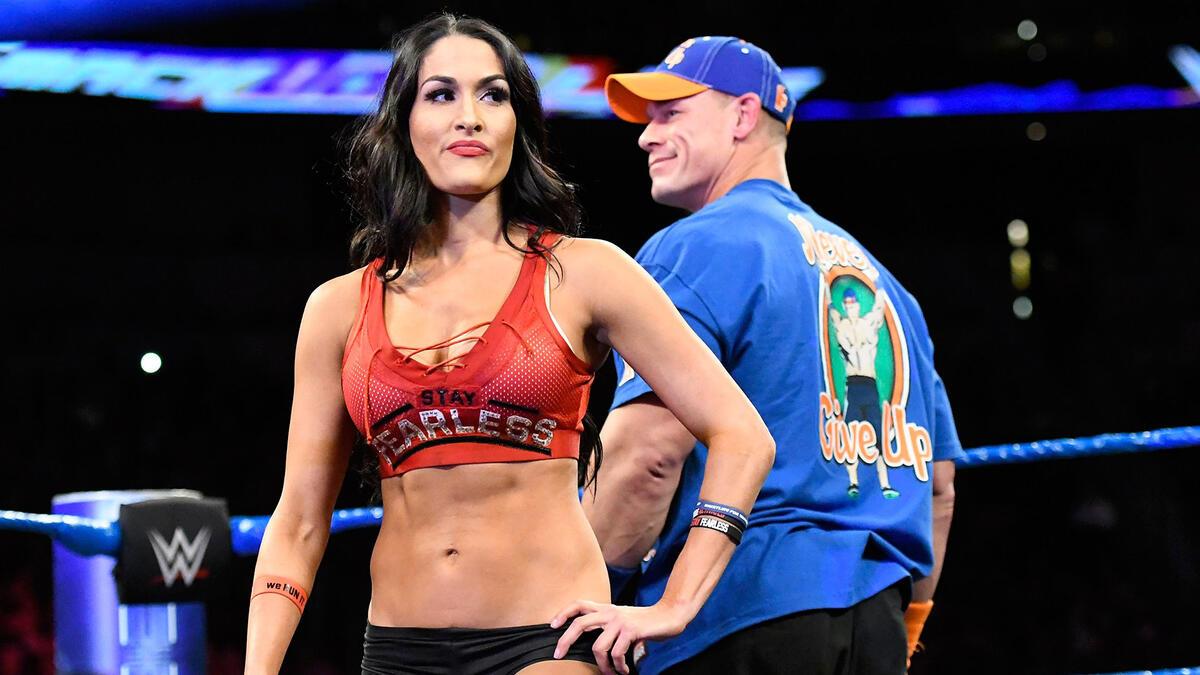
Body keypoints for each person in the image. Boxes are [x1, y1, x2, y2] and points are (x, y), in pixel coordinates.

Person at [243, 15, 775, 675]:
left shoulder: (586, 273)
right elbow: (296, 523)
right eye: (442, 94)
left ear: (517, 123)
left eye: (492, 95)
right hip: (397, 650)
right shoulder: (337, 308)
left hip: (547, 641)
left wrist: (676, 602)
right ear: (403, 123)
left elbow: (742, 435)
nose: (469, 116)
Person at [584, 36, 962, 674]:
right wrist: (908, 622)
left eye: (671, 112)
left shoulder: (697, 246)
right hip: (876, 621)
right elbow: (940, 487)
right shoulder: (884, 284)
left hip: (734, 614)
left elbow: (646, 457)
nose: (647, 137)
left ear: (741, 115)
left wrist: (573, 592)